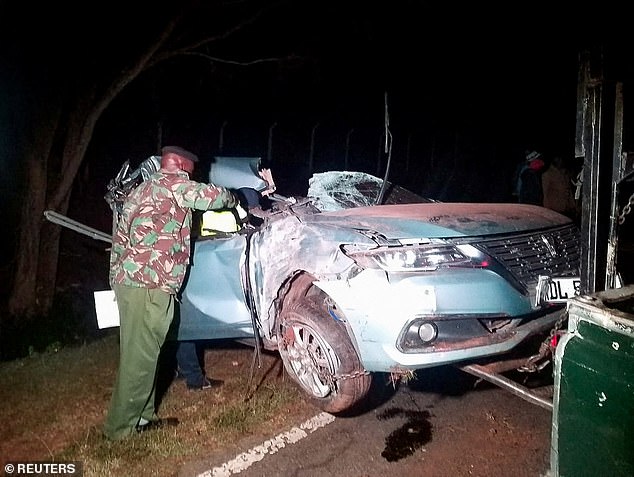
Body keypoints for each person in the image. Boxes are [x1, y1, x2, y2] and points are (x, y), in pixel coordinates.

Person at [103, 145, 238, 440]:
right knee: (139, 360)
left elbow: (119, 239)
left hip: (131, 283)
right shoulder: (174, 182)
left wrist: (116, 280)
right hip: (150, 286)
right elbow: (212, 197)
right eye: (192, 166)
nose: (193, 172)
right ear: (178, 162)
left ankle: (142, 417)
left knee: (144, 355)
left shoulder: (142, 190)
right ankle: (120, 430)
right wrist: (233, 197)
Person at [541, 155, 579, 220]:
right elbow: (545, 193)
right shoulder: (547, 174)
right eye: (558, 159)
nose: (560, 161)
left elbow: (568, 190)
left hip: (566, 208)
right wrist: (546, 210)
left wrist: (573, 205)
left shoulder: (565, 173)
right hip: (555, 209)